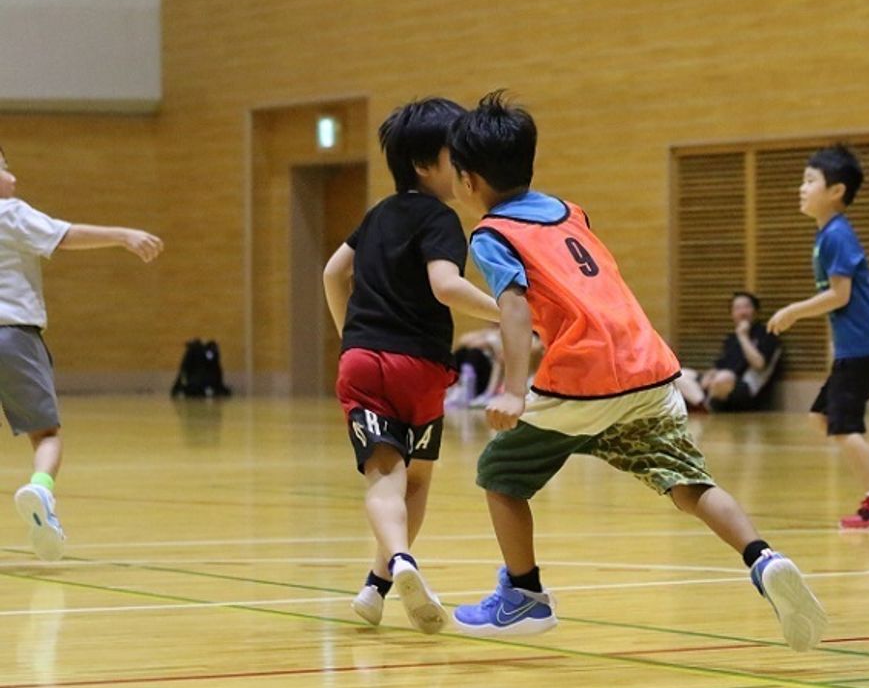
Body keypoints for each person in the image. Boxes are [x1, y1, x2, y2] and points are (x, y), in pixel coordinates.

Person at [445, 91, 826, 651]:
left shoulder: (491, 234)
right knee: (688, 482)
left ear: (470, 180)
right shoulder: (570, 212)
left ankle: (524, 596)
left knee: (500, 477)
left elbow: (515, 306)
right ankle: (763, 558)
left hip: (584, 376)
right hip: (648, 366)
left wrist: (512, 391)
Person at [322, 99, 500, 631]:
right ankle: (393, 566)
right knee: (415, 481)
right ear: (425, 164)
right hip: (421, 367)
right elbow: (445, 285)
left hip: (362, 360)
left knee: (383, 472)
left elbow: (334, 272)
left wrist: (350, 338)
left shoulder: (378, 213)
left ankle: (382, 579)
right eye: (456, 155)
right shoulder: (440, 218)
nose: (466, 165)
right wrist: (509, 312)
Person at [0, 145, 163, 561]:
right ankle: (40, 489)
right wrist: (123, 236)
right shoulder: (10, 213)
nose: (13, 177)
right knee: (46, 434)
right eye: (3, 168)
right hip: (14, 335)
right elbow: (64, 235)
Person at [766, 145, 869, 530]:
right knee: (820, 417)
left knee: (844, 427)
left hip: (865, 349)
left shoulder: (836, 235)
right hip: (858, 348)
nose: (801, 188)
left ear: (836, 191)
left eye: (810, 181)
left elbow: (840, 295)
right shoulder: (827, 234)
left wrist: (792, 311)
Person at [676, 291, 783, 412]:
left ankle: (706, 407)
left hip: (745, 387)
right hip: (720, 381)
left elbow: (759, 364)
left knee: (724, 377)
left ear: (756, 311)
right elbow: (720, 365)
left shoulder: (767, 334)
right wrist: (709, 375)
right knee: (679, 375)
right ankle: (703, 407)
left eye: (747, 307)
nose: (742, 312)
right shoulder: (731, 338)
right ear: (732, 314)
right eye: (737, 308)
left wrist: (743, 337)